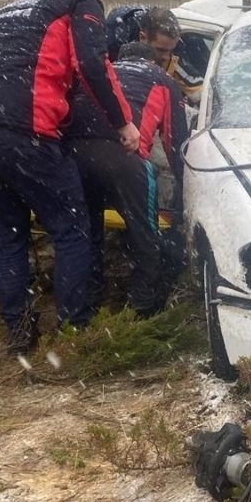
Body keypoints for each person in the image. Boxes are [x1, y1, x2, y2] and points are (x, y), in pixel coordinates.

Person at [0, 0, 139, 353]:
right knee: (71, 228)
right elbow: (94, 65)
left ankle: (19, 335)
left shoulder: (12, 8)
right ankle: (76, 330)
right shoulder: (79, 1)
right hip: (25, 127)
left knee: (9, 234)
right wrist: (122, 123)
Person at [65, 41, 189, 317]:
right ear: (152, 61)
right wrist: (185, 188)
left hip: (75, 154)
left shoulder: (103, 72)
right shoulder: (162, 80)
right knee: (144, 233)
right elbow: (174, 141)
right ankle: (143, 307)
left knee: (86, 232)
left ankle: (87, 306)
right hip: (123, 155)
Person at [105, 6, 204, 104]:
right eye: (160, 50)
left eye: (170, 50)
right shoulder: (113, 46)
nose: (166, 57)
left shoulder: (171, 51)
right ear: (142, 37)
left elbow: (196, 89)